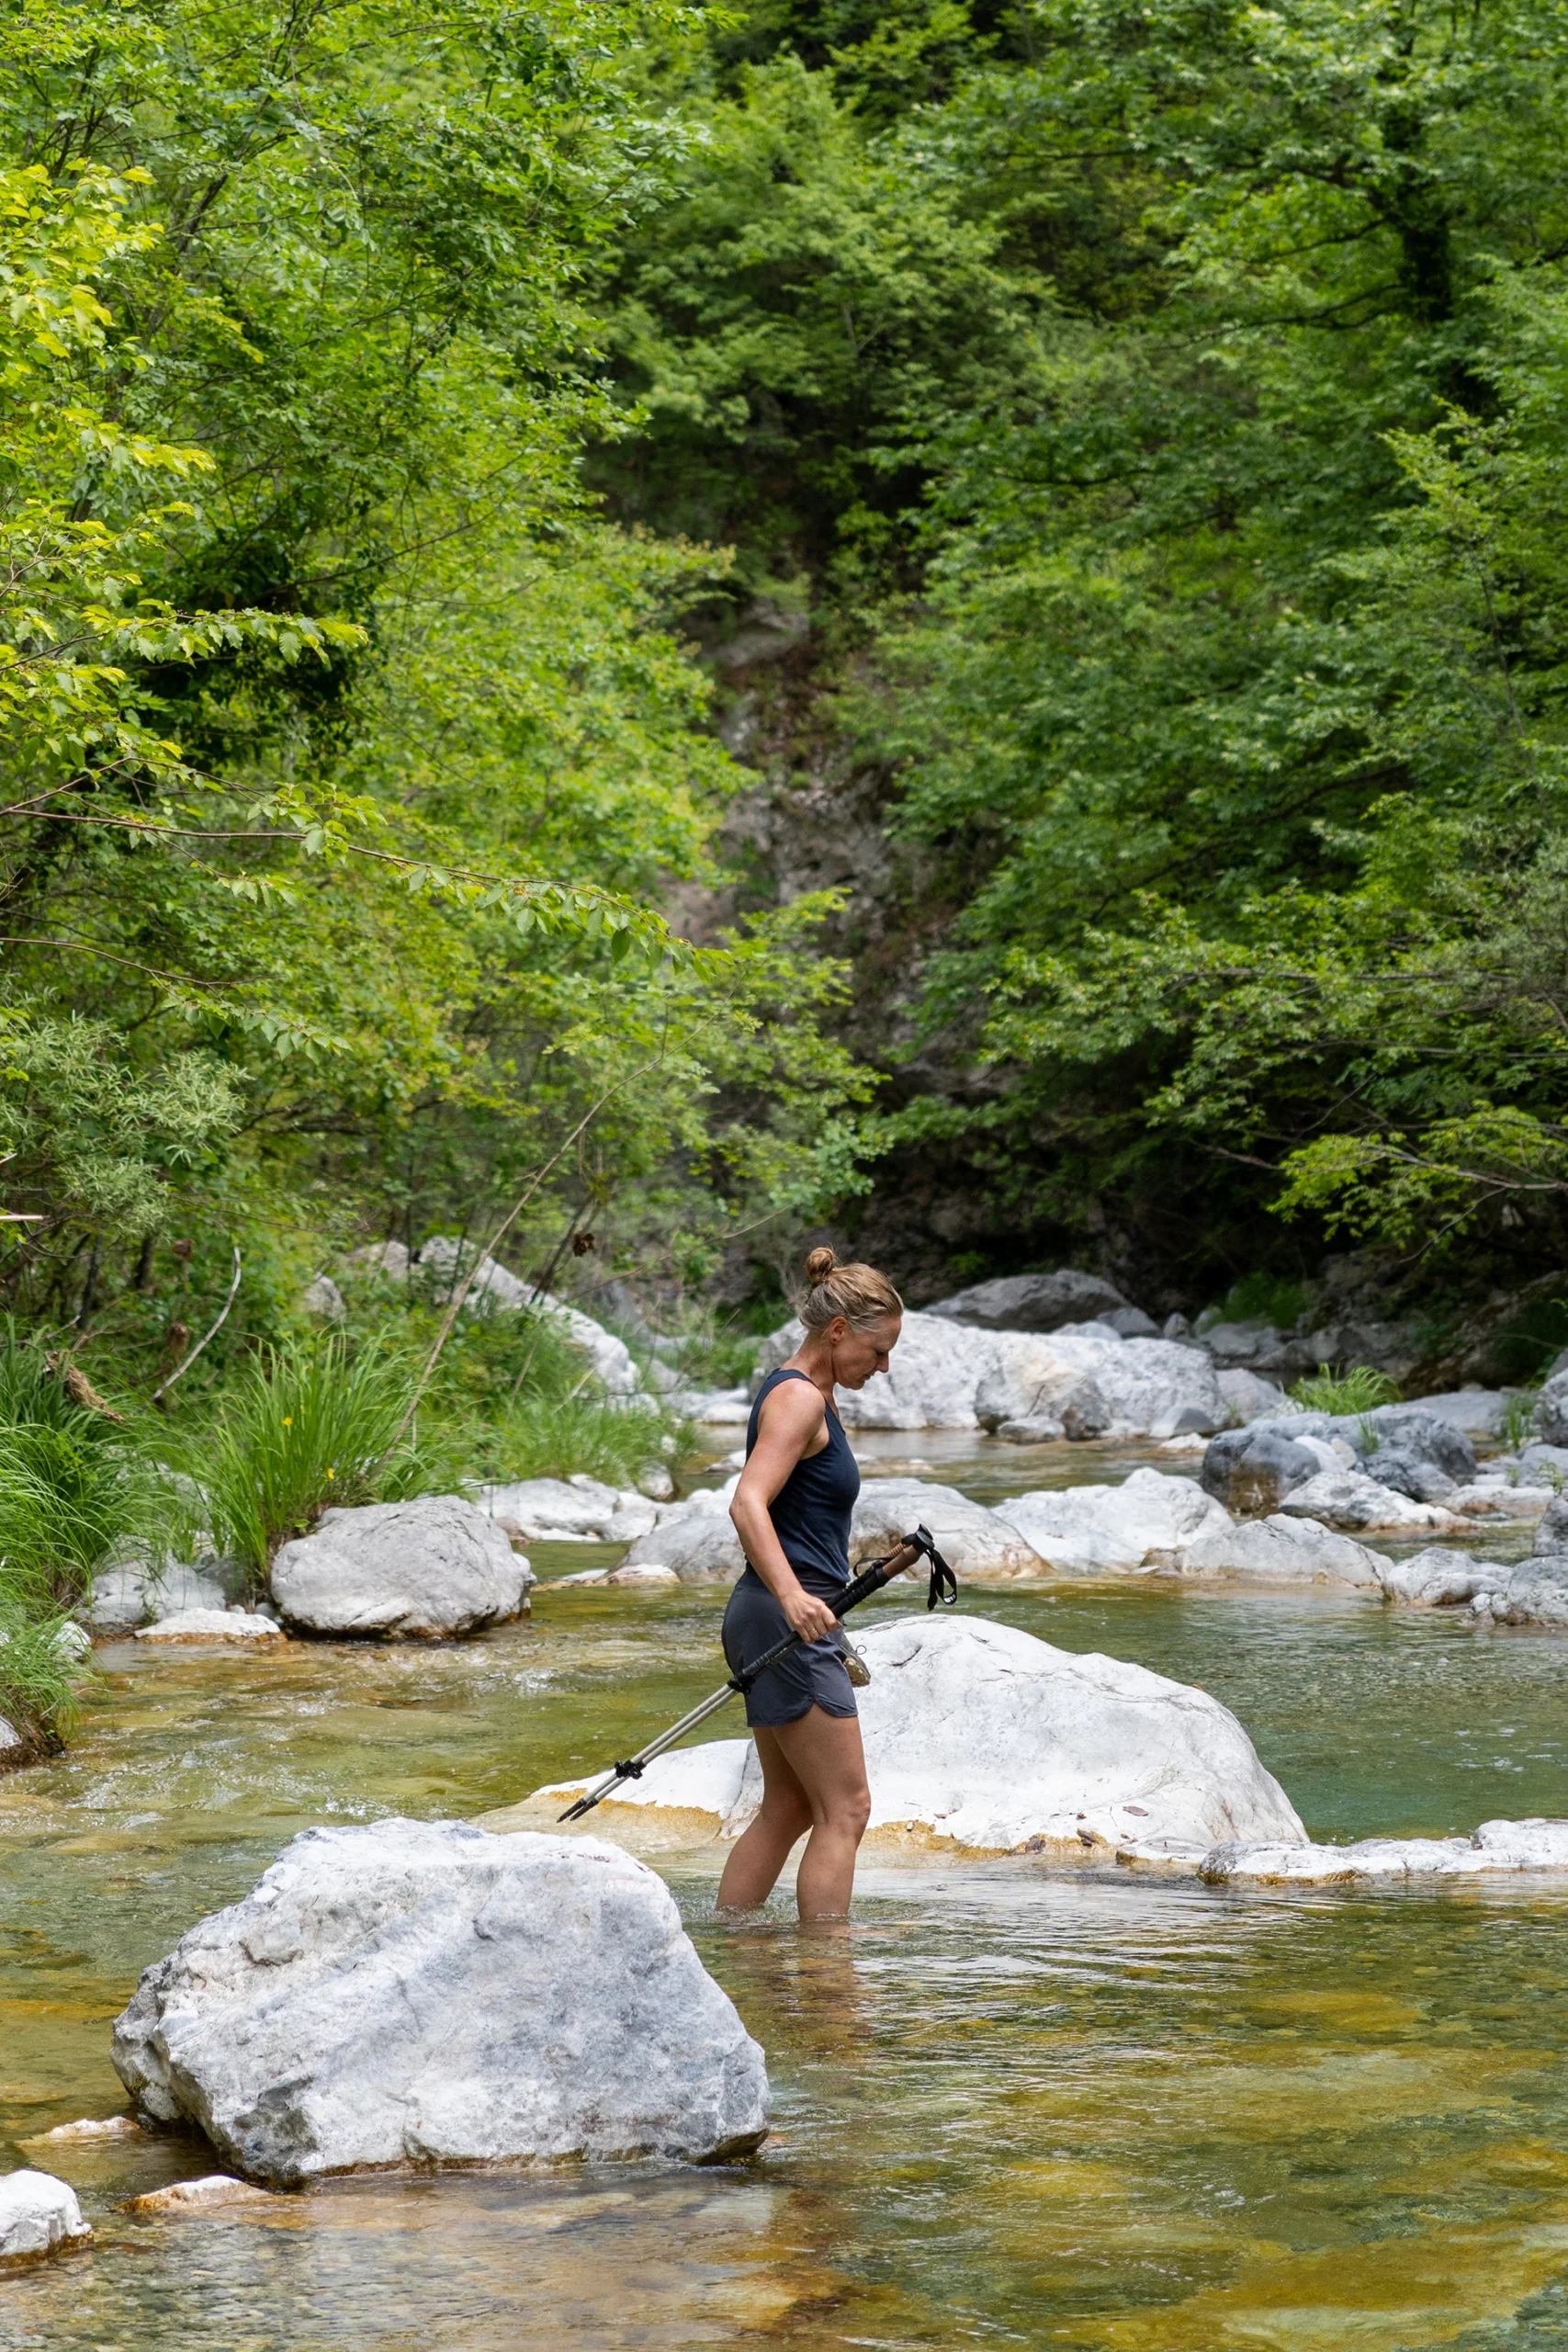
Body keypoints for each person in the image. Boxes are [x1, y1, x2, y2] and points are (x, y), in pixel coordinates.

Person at [716, 1247, 904, 1922]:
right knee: (846, 1809)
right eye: (877, 1351)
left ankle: (734, 1946)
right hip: (784, 1618)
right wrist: (796, 1594)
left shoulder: (806, 1392)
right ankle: (828, 1988)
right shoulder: (798, 1398)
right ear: (837, 1331)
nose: (881, 1367)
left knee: (793, 1804)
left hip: (771, 1614)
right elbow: (747, 1502)